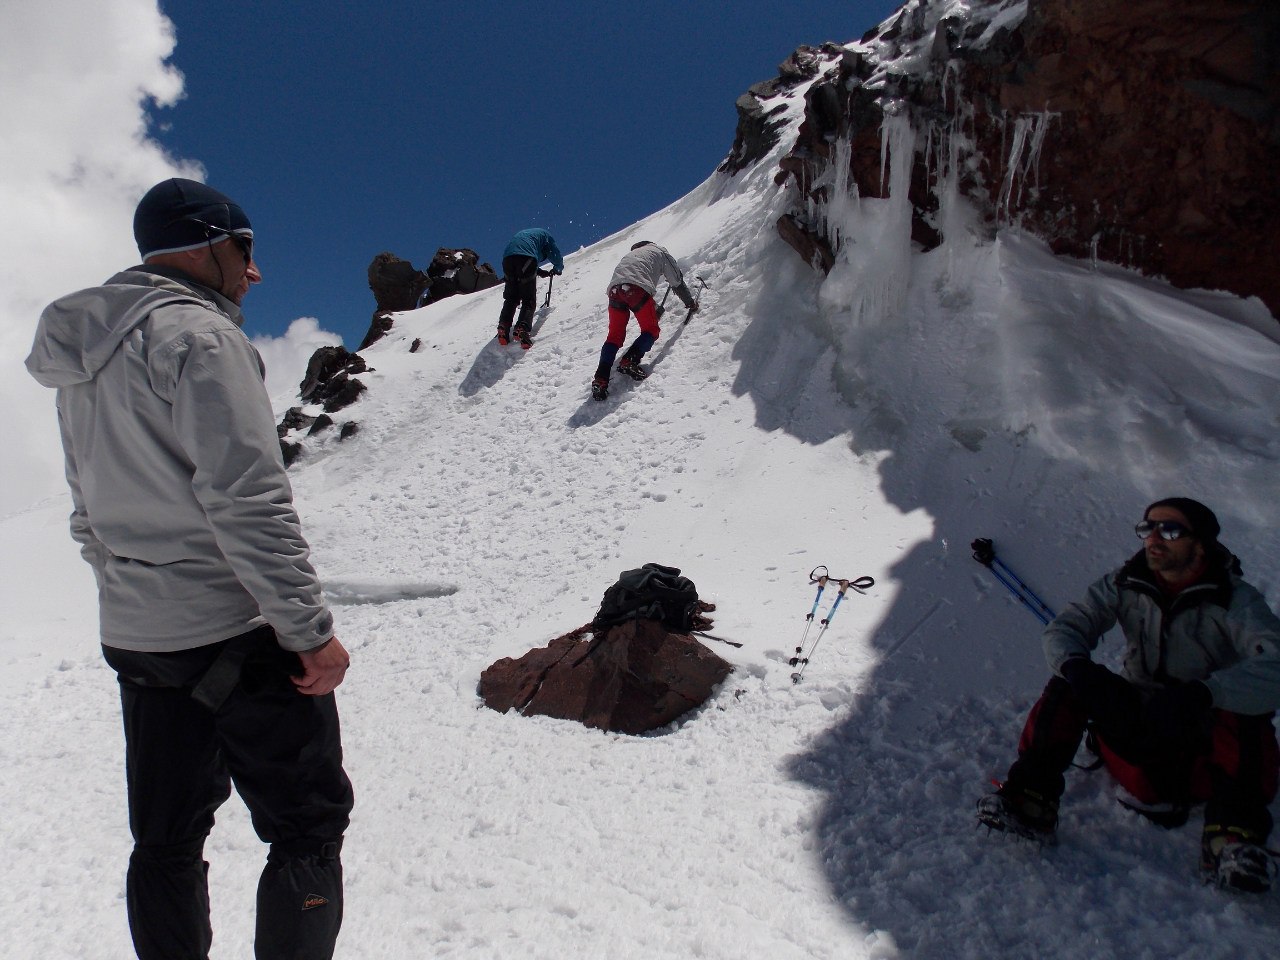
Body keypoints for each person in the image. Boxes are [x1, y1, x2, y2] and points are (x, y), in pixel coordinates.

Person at [25, 178, 355, 958]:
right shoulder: (199, 340)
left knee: (166, 838)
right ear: (208, 243)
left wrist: (135, 599)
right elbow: (248, 497)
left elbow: (86, 509)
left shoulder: (85, 359)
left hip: (141, 641)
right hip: (237, 633)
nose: (255, 271)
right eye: (246, 249)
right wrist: (308, 631)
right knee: (306, 828)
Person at [977, 498, 1280, 892]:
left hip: (1199, 743)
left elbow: (1274, 664)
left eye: (1169, 530)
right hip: (1135, 725)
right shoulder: (1125, 582)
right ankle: (1030, 799)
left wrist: (1208, 693)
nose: (1153, 538)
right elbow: (1066, 628)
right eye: (1147, 528)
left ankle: (1232, 840)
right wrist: (1076, 667)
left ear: (1200, 544)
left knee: (1247, 708)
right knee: (1070, 680)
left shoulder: (1236, 600)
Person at [590, 240, 697, 401]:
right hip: (636, 289)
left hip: (614, 291)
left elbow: (630, 279)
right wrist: (689, 302)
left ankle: (600, 378)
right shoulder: (660, 251)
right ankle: (629, 360)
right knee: (651, 330)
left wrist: (653, 310)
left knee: (614, 336)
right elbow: (676, 281)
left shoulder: (630, 256)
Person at [497, 227, 563, 347]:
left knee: (511, 297)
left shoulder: (529, 236)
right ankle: (522, 328)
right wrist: (558, 268)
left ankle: (504, 325)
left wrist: (538, 271)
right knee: (528, 299)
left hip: (508, 259)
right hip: (526, 258)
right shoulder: (547, 236)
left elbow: (521, 261)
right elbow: (554, 253)